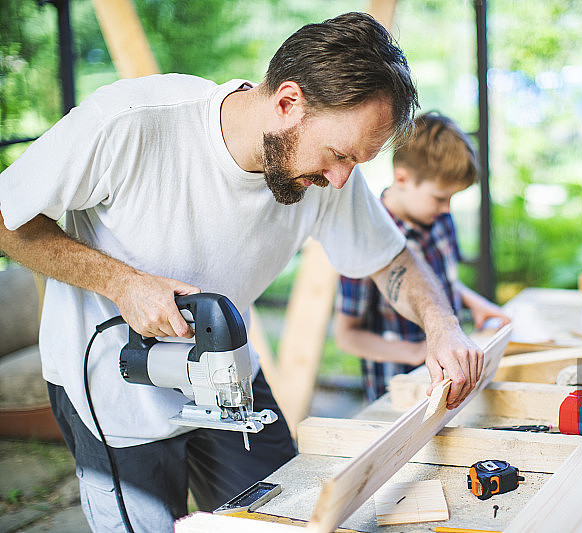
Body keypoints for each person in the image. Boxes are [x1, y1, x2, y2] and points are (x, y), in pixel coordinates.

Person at [0, 13, 484, 532]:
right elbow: (8, 220)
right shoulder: (132, 122)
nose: (342, 182)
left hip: (228, 377)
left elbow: (394, 259)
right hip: (114, 389)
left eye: (357, 164)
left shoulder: (325, 173)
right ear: (287, 102)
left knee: (286, 521)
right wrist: (123, 283)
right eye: (339, 156)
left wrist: (443, 327)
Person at [334, 112, 511, 402]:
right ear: (402, 178)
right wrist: (419, 350)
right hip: (398, 396)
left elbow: (439, 283)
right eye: (441, 198)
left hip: (449, 384)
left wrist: (474, 302)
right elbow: (348, 335)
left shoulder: (438, 219)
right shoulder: (364, 238)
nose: (447, 209)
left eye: (452, 199)